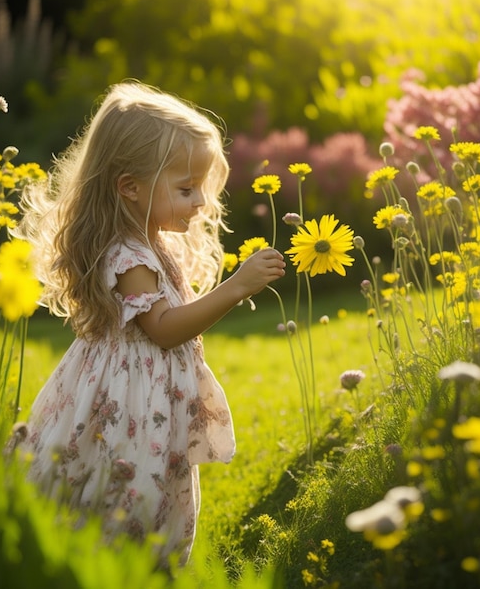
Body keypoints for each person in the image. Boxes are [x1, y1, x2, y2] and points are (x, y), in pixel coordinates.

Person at [14, 81, 285, 566]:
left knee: (142, 492)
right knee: (129, 496)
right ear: (130, 187)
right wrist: (236, 288)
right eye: (186, 189)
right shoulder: (127, 255)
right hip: (130, 402)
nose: (201, 201)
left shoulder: (150, 241)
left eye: (200, 187)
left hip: (148, 395)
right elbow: (163, 328)